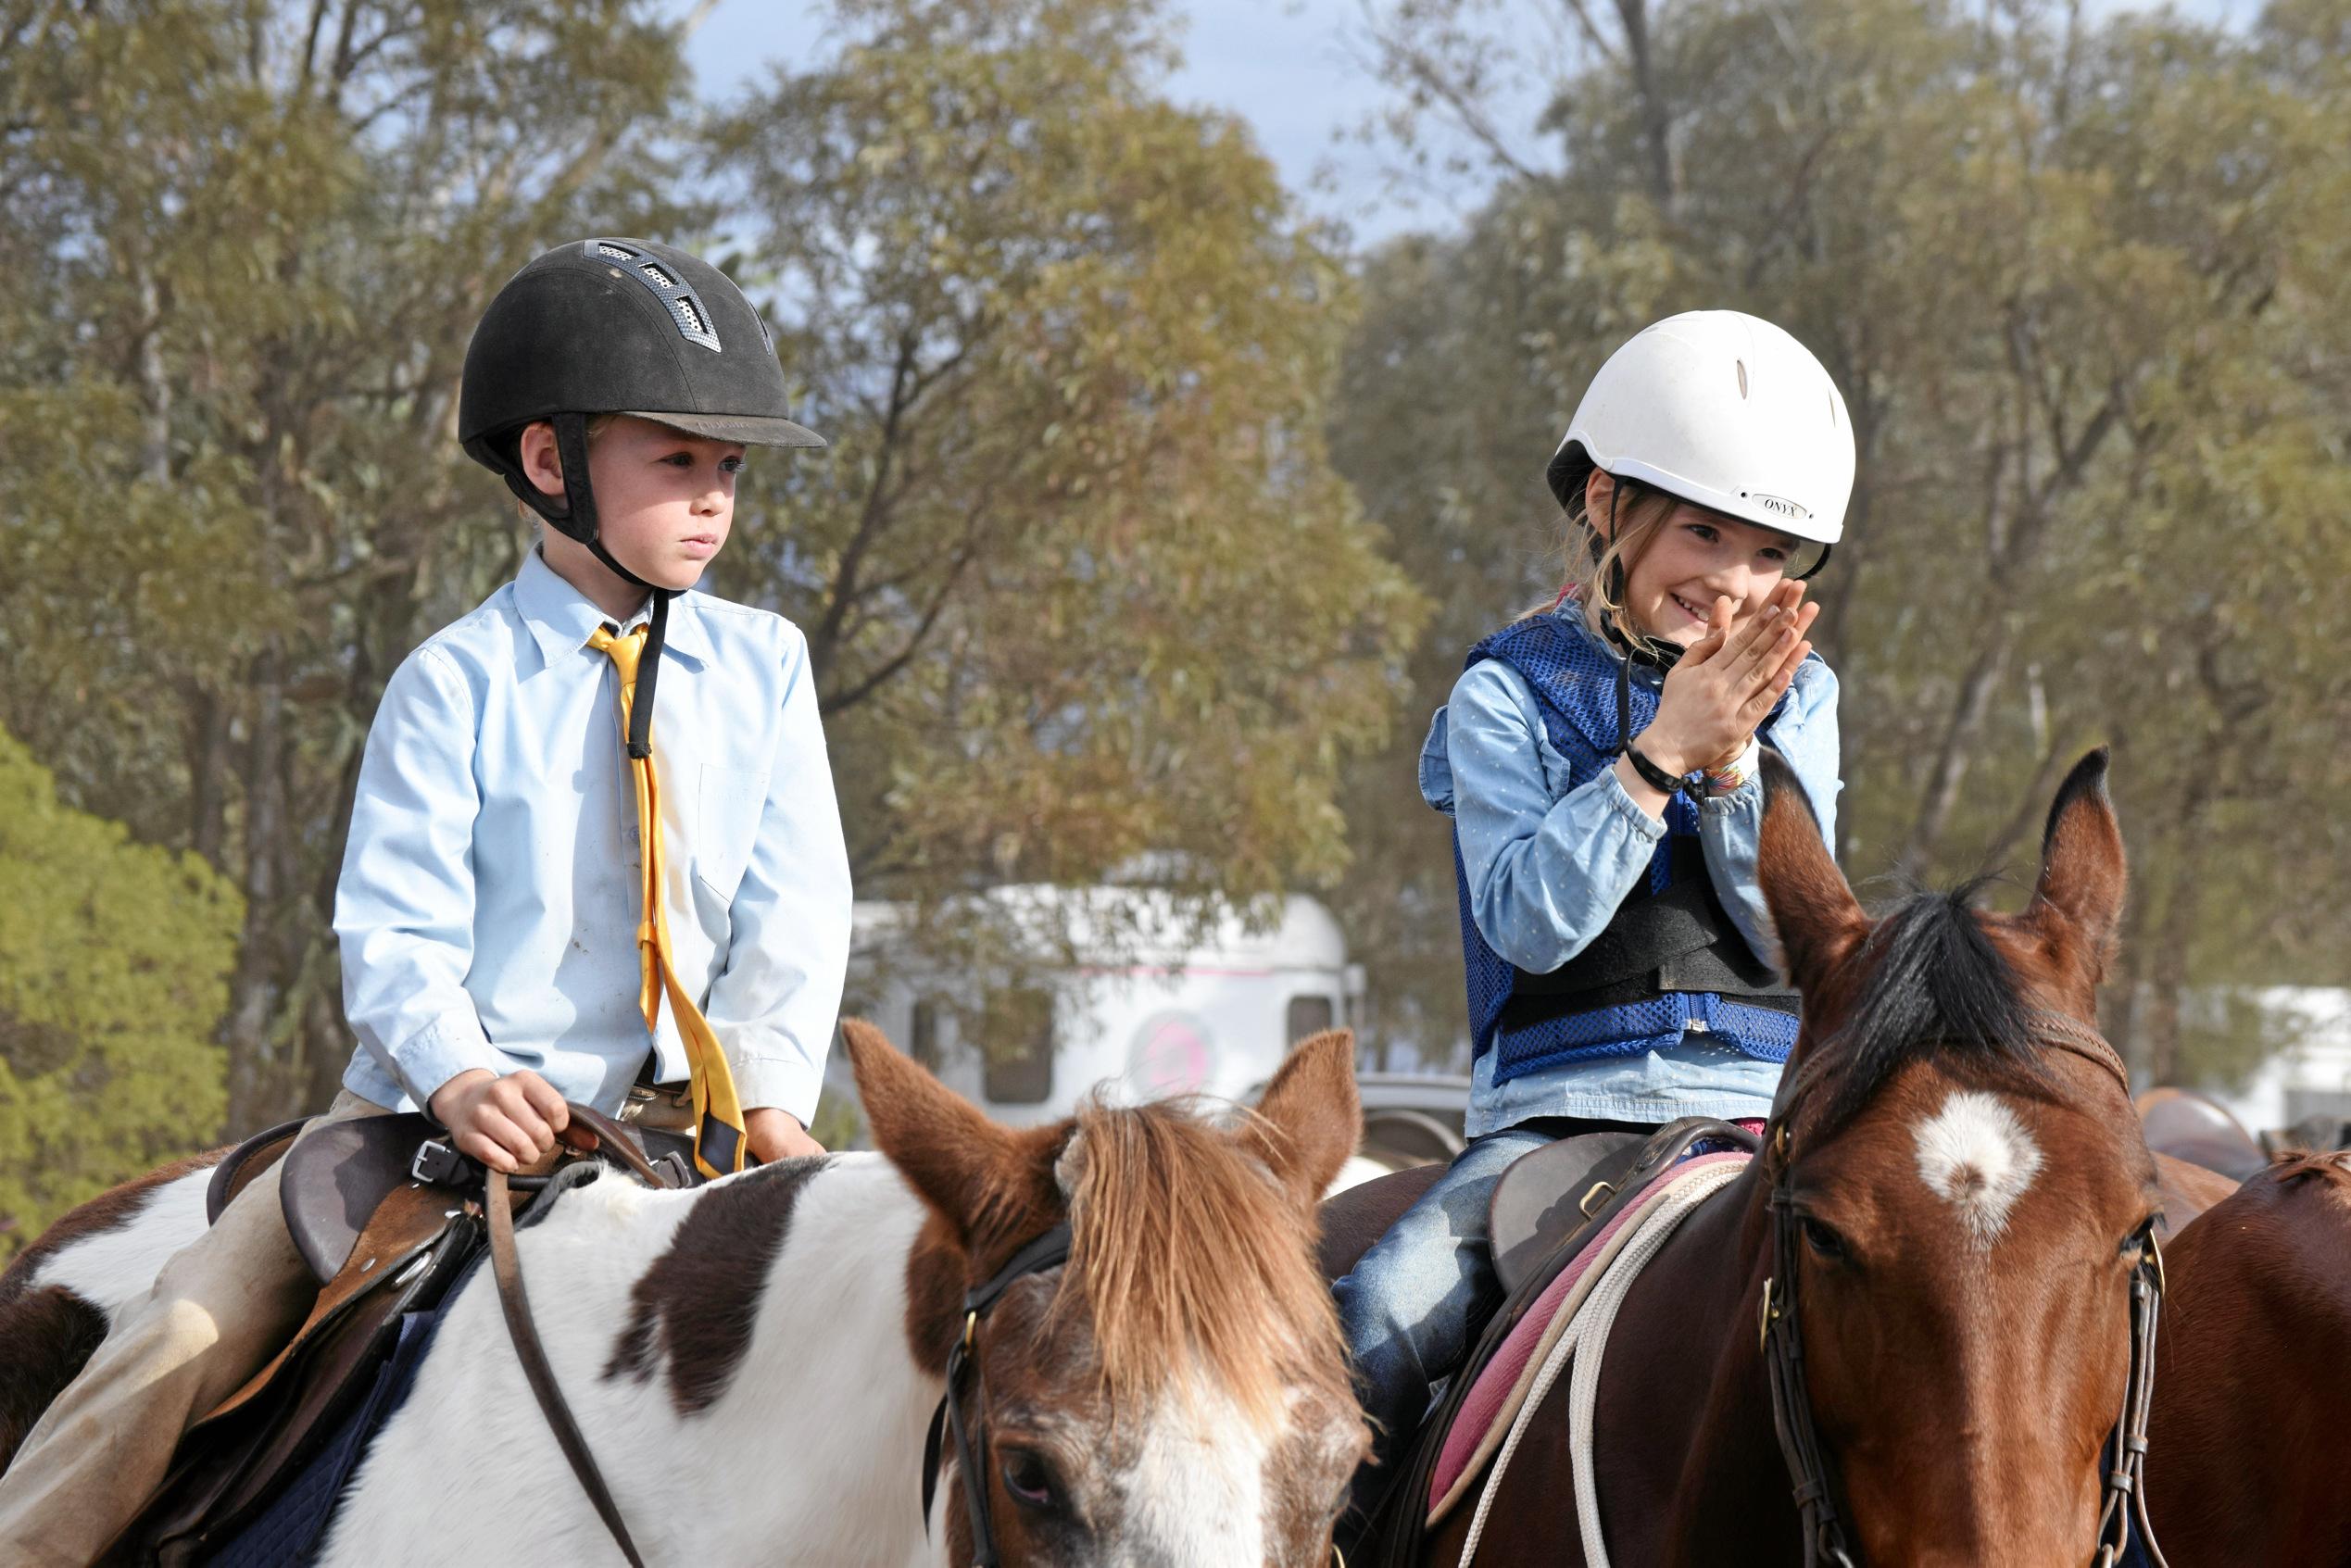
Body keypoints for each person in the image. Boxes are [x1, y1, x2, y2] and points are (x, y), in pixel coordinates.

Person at [0, 237, 852, 1567]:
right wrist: (458, 1075)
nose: (713, 502)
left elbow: (794, 911)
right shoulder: (451, 681)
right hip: (435, 1126)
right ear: (550, 462)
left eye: (727, 470)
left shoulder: (767, 669)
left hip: (696, 1129)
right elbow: (391, 929)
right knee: (180, 1336)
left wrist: (774, 1092)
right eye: (676, 461)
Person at [1333, 309, 1849, 1530]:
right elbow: (1526, 922)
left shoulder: (1802, 698)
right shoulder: (1502, 691)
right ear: (1609, 503)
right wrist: (1657, 753)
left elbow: (1793, 942)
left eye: (1766, 553)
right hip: (1558, 1128)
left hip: (1760, 1111)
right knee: (1371, 1327)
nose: (1728, 579)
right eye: (1702, 530)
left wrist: (1732, 770)